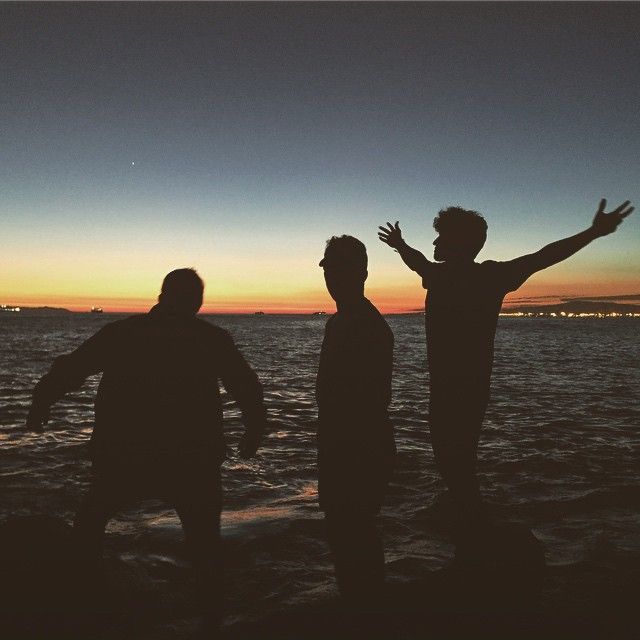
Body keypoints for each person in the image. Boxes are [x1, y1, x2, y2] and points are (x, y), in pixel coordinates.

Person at [378, 199, 634, 555]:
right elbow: (418, 259)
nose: (434, 244)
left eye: (441, 238)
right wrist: (401, 245)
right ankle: (473, 526)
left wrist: (592, 232)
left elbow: (545, 255)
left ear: (462, 243)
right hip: (454, 387)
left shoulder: (482, 276)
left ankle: (477, 534)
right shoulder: (457, 275)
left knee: (455, 459)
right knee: (454, 459)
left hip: (461, 389)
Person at [26, 268, 267, 629]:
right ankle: (211, 620)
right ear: (194, 302)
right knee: (204, 546)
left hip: (127, 455)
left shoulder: (123, 333)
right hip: (190, 460)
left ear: (161, 296)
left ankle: (91, 608)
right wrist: (255, 429)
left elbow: (73, 368)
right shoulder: (210, 339)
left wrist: (41, 401)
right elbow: (245, 387)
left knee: (91, 525)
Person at [316, 235, 396, 607]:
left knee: (354, 533)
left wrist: (346, 449)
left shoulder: (364, 324)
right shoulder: (343, 322)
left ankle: (366, 613)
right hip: (342, 445)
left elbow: (365, 400)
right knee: (347, 532)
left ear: (362, 273)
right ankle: (363, 608)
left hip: (357, 448)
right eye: (329, 268)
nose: (332, 276)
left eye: (340, 268)